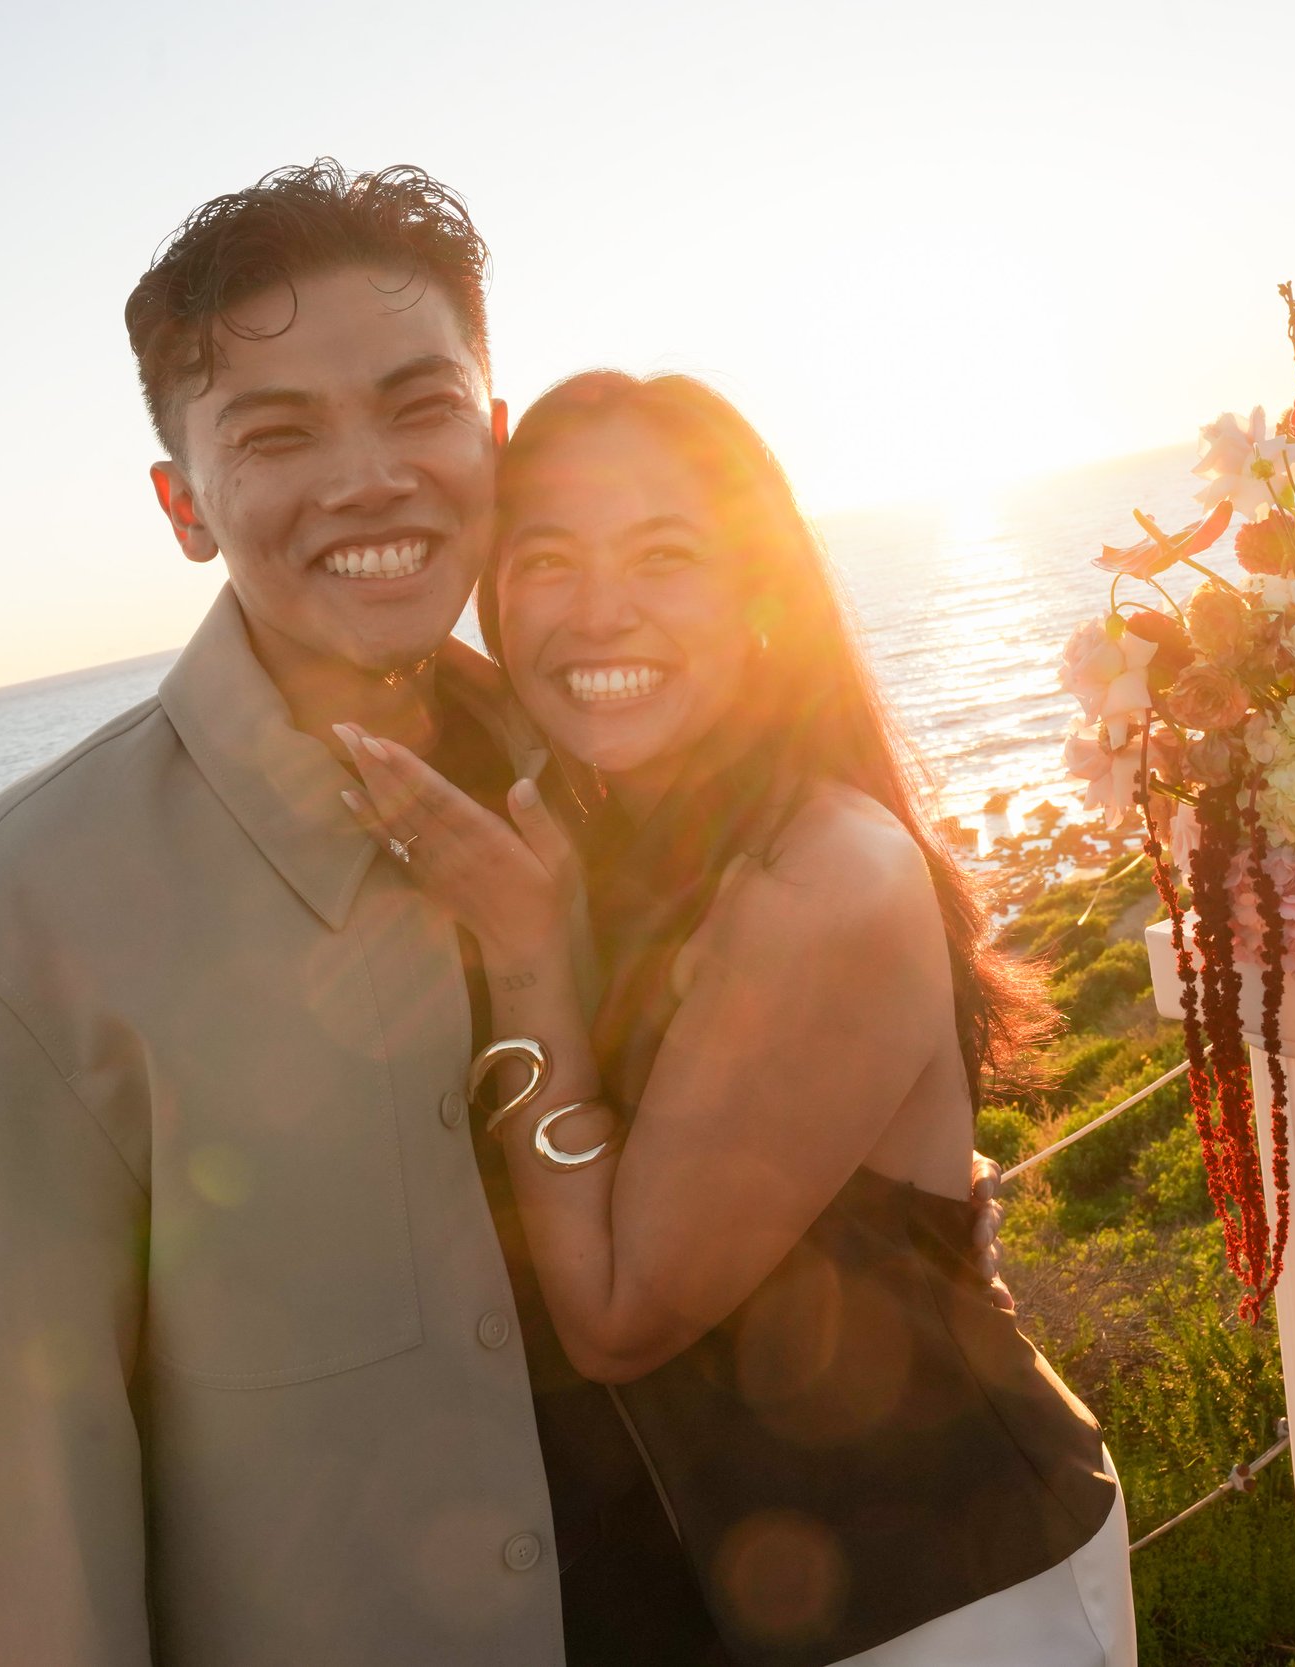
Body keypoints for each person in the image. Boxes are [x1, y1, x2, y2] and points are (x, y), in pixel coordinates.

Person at [0, 162, 709, 1663]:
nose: (371, 476)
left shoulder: (604, 776)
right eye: (275, 434)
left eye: (419, 404)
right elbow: (26, 1526)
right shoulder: (19, 923)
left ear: (494, 439)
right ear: (185, 505)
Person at [336, 371, 1138, 1666]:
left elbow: (614, 1314)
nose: (600, 611)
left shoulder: (826, 876)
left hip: (958, 1594)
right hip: (774, 1607)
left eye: (667, 556)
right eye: (546, 559)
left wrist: (529, 953)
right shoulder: (637, 844)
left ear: (761, 597)